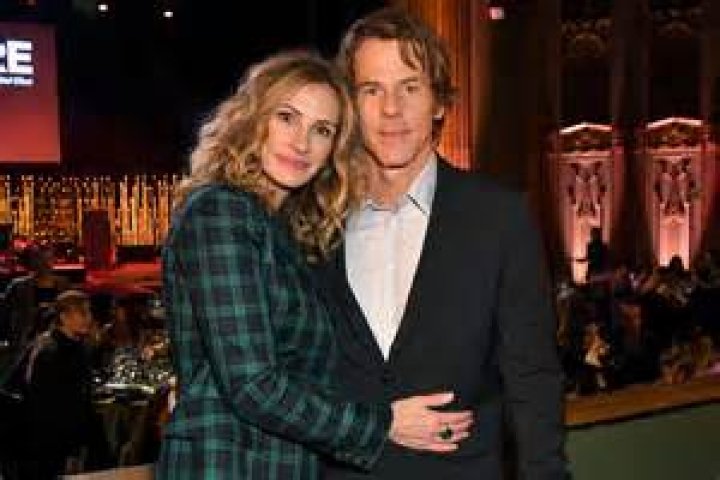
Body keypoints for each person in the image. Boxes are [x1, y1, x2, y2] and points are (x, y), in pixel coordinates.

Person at [155, 51, 473, 479]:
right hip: (227, 464)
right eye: (287, 117)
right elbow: (253, 385)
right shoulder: (221, 212)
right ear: (254, 120)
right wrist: (383, 425)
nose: (301, 143)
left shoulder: (283, 232)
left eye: (322, 130)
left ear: (333, 150)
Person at [321, 7, 568, 479]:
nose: (391, 109)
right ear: (349, 106)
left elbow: (533, 379)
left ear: (438, 102)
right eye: (372, 90)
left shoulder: (499, 218)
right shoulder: (315, 222)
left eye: (410, 88)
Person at [13, 290, 97, 479]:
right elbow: (51, 407)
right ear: (64, 317)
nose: (89, 318)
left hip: (57, 444)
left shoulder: (76, 347)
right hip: (46, 448)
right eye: (82, 313)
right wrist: (71, 450)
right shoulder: (50, 351)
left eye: (89, 312)